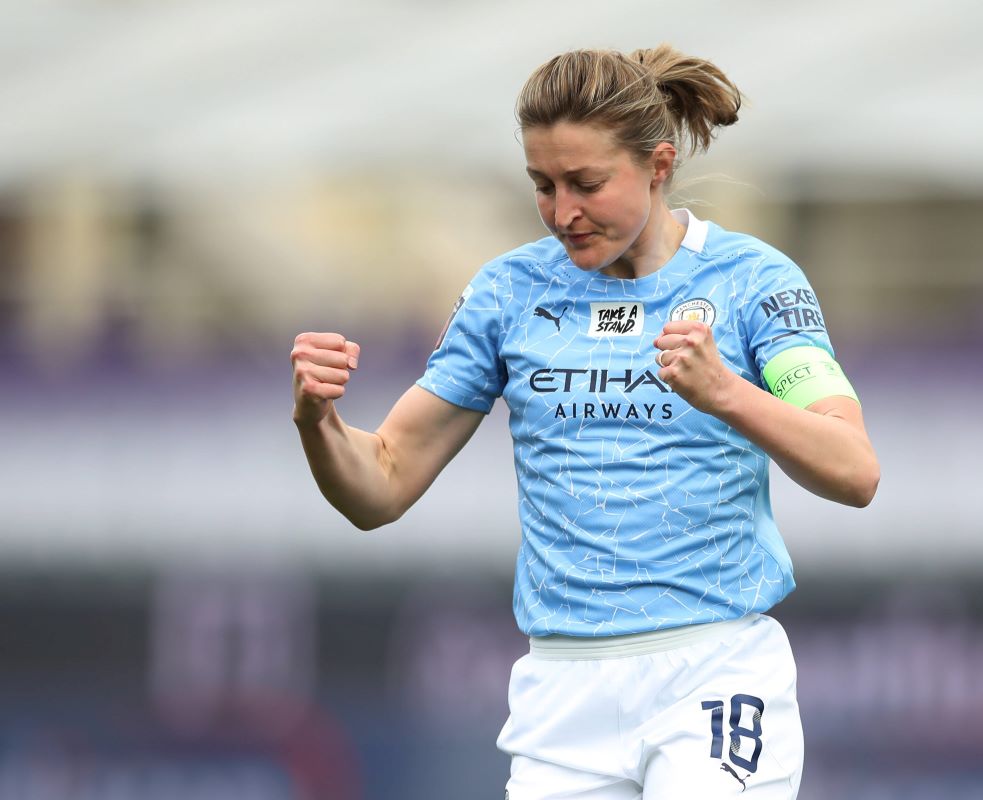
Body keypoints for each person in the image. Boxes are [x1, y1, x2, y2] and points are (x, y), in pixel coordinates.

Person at [291, 45, 879, 799]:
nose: (563, 212)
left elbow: (854, 468)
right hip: (563, 693)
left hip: (712, 672)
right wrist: (317, 420)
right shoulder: (508, 292)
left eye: (587, 184)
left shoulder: (753, 282)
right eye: (543, 185)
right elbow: (382, 482)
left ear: (658, 166)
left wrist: (728, 393)